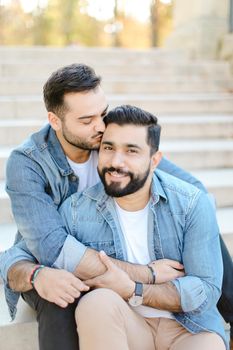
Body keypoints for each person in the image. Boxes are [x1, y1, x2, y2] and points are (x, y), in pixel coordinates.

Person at [0, 64, 232, 350]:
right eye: (87, 120)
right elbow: (53, 248)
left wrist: (194, 221)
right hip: (57, 246)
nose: (100, 126)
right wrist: (146, 274)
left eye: (103, 112)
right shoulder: (28, 163)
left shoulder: (107, 135)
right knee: (61, 296)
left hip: (107, 245)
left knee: (200, 223)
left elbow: (189, 189)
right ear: (55, 120)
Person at [45, 105, 228, 349]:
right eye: (108, 148)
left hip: (189, 328)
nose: (116, 162)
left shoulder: (192, 203)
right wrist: (36, 274)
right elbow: (25, 253)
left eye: (131, 151)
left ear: (154, 160)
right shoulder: (76, 210)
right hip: (127, 324)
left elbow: (205, 289)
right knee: (97, 302)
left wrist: (134, 289)